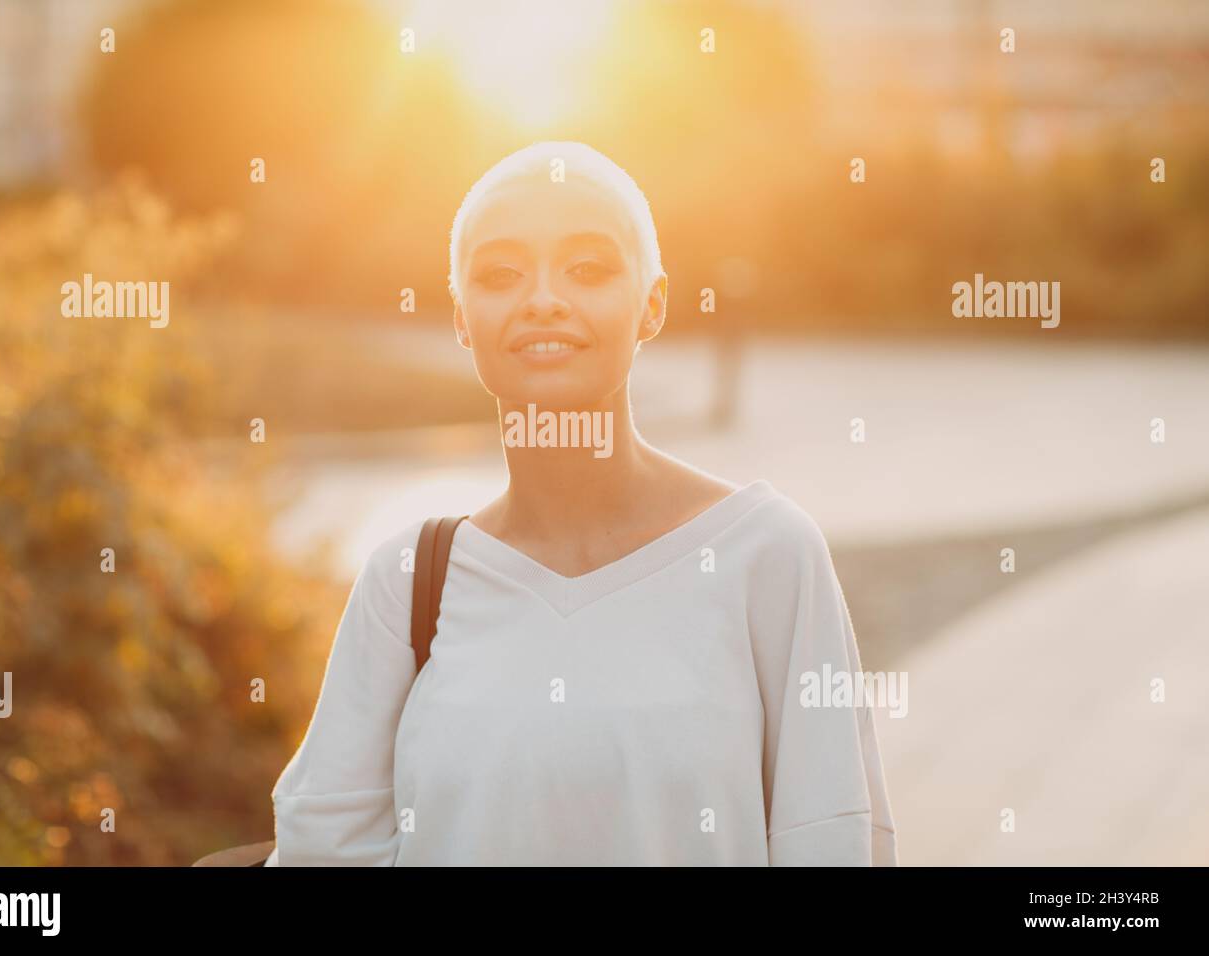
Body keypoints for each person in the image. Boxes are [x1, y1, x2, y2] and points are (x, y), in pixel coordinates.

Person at [265, 141, 897, 866]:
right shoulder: (408, 580)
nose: (543, 300)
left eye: (589, 269)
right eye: (500, 274)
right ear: (462, 318)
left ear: (652, 304)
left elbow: (833, 841)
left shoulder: (769, 555)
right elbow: (324, 848)